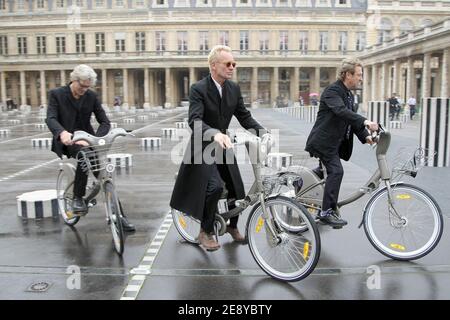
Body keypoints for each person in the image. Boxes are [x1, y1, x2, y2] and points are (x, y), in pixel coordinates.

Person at [170, 45, 268, 251]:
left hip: (223, 143)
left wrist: (262, 132)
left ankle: (233, 227)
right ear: (214, 66)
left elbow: (244, 116)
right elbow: (194, 122)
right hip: (202, 146)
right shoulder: (199, 89)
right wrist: (214, 133)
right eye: (228, 64)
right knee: (214, 187)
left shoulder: (233, 89)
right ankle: (204, 232)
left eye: (234, 63)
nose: (232, 67)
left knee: (236, 187)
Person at [46, 64, 135, 232]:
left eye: (88, 87)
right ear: (74, 80)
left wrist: (98, 137)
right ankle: (78, 198)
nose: (84, 90)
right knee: (84, 155)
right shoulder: (57, 95)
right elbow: (50, 118)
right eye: (82, 86)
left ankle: (120, 218)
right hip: (68, 141)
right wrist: (62, 133)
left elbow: (104, 122)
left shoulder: (91, 96)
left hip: (88, 140)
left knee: (104, 176)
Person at [305, 58, 378, 228]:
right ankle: (326, 212)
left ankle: (301, 183)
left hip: (333, 143)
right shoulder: (333, 91)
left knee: (324, 173)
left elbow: (351, 120)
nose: (361, 78)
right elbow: (341, 111)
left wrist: (366, 136)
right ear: (347, 75)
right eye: (358, 75)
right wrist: (367, 121)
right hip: (323, 143)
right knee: (336, 172)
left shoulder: (348, 95)